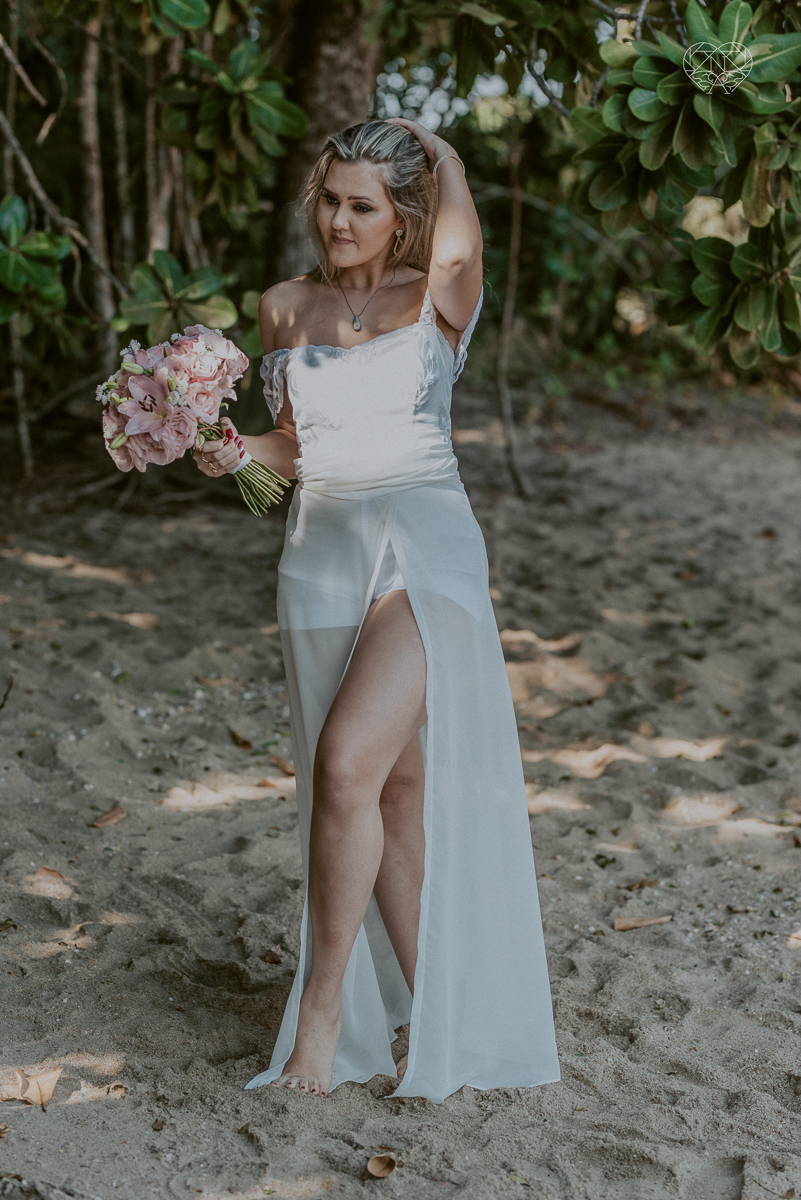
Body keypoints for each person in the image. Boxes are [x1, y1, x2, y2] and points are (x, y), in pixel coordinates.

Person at [193, 118, 559, 1103]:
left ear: (402, 218)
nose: (341, 220)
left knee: (346, 762)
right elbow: (294, 447)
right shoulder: (283, 307)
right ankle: (432, 1004)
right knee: (386, 792)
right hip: (320, 557)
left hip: (424, 551)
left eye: (364, 205)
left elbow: (463, 241)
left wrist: (435, 146)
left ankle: (321, 1017)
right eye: (330, 200)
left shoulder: (437, 296)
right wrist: (230, 454)